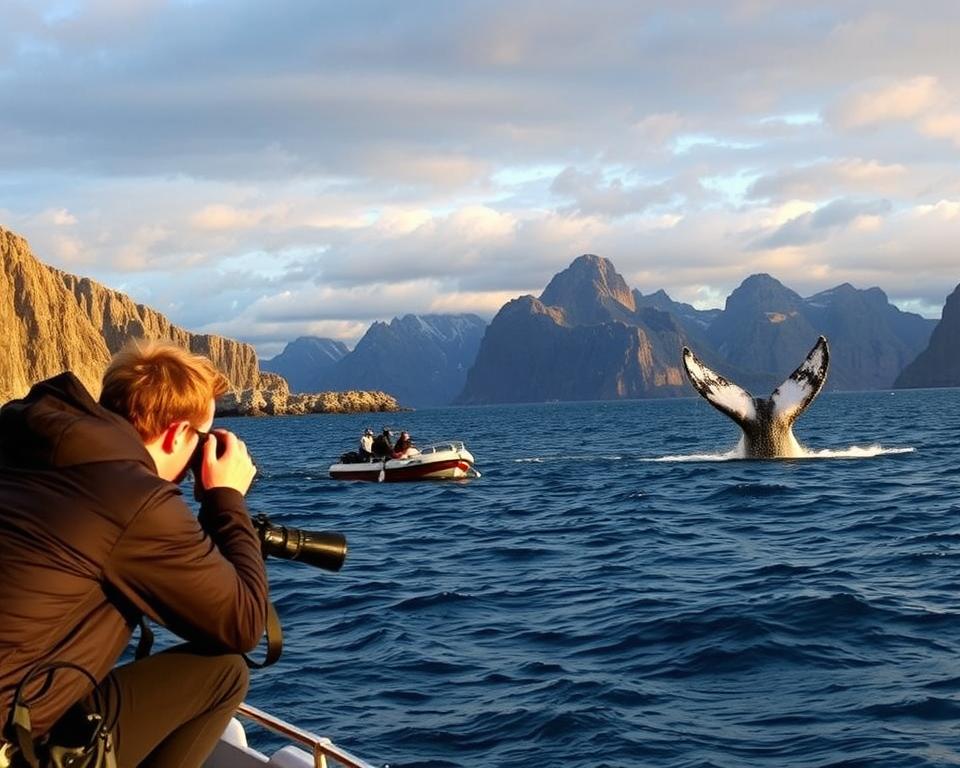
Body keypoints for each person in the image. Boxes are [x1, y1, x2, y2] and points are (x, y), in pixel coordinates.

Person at [0, 339, 267, 768]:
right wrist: (226, 499)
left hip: (24, 697)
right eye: (200, 442)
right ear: (178, 433)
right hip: (8, 743)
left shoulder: (25, 442)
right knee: (225, 671)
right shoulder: (133, 497)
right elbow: (245, 625)